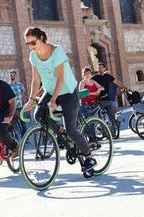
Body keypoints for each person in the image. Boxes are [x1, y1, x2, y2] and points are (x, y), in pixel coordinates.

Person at [22, 27, 97, 172]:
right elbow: (36, 79)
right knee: (38, 114)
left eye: (32, 43)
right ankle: (59, 130)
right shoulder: (33, 56)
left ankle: (89, 157)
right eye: (27, 44)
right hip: (51, 90)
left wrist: (54, 99)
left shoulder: (57, 52)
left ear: (42, 38)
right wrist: (31, 99)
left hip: (68, 91)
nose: (30, 47)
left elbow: (61, 78)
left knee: (72, 131)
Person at [92, 62, 128, 128]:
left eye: (101, 67)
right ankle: (103, 130)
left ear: (104, 68)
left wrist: (125, 87)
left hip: (108, 100)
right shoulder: (95, 77)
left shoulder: (108, 76)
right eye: (98, 68)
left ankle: (114, 131)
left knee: (112, 117)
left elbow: (116, 81)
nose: (99, 69)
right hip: (99, 100)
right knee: (101, 118)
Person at [9, 70, 27, 136]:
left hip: (20, 107)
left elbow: (23, 95)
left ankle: (25, 138)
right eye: (11, 75)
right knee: (14, 124)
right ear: (9, 76)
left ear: (16, 76)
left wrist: (25, 104)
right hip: (13, 108)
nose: (12, 76)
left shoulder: (20, 84)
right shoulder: (8, 86)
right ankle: (15, 138)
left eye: (14, 75)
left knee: (23, 123)